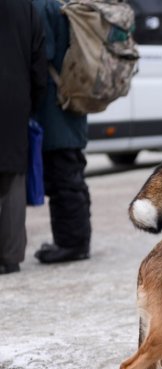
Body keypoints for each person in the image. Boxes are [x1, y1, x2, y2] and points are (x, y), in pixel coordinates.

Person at [32, 0, 91, 264]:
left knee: (63, 179)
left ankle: (71, 244)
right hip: (71, 102)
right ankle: (77, 241)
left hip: (54, 107)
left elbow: (43, 53)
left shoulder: (43, 6)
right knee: (72, 175)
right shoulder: (63, 3)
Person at [0, 0, 47, 275]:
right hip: (15, 101)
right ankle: (10, 256)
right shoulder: (26, 7)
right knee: (12, 180)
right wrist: (33, 102)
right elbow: (38, 60)